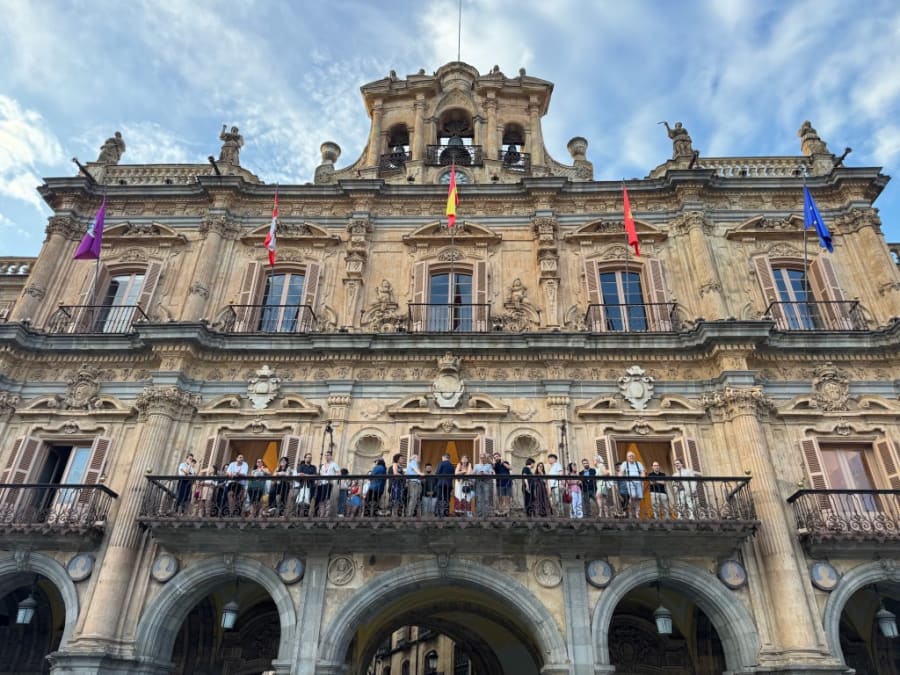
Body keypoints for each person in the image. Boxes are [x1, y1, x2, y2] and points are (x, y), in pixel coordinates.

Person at [618, 451, 646, 518]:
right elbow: (621, 472)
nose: (631, 457)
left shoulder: (638, 463)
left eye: (632, 456)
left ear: (634, 457)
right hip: (630, 482)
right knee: (633, 496)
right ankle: (631, 511)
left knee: (638, 498)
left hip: (639, 482)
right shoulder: (625, 464)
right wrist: (619, 476)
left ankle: (637, 513)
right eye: (629, 456)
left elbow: (642, 472)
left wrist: (642, 479)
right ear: (627, 458)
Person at [316, 451, 340, 516]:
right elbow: (321, 474)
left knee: (327, 498)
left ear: (331, 456)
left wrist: (332, 478)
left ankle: (326, 513)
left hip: (329, 483)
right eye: (325, 455)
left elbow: (338, 473)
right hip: (321, 483)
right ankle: (321, 513)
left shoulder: (334, 464)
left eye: (328, 455)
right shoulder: (323, 465)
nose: (326, 456)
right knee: (321, 498)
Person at [472, 452, 495, 517]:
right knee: (479, 499)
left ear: (485, 458)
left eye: (483, 458)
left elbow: (491, 473)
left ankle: (485, 514)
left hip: (486, 483)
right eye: (481, 458)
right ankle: (479, 514)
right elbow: (472, 474)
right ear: (480, 458)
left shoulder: (489, 465)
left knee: (486, 498)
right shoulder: (476, 465)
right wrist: (478, 474)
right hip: (478, 483)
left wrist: (484, 473)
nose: (482, 459)